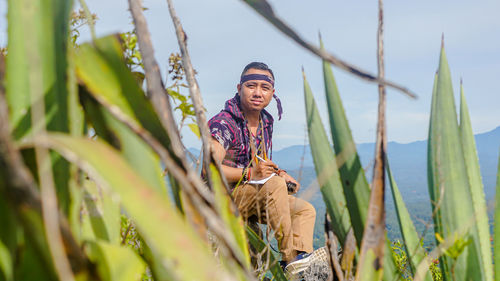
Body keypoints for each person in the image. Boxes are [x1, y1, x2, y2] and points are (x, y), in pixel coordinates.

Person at [208, 62, 323, 274]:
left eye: (264, 87)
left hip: (249, 194)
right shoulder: (223, 122)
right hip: (220, 199)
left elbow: (258, 160)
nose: (258, 92)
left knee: (305, 210)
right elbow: (210, 168)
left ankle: (299, 260)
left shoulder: (265, 122)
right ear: (239, 87)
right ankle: (290, 259)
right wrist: (251, 173)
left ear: (272, 93)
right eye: (251, 85)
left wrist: (279, 173)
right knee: (274, 186)